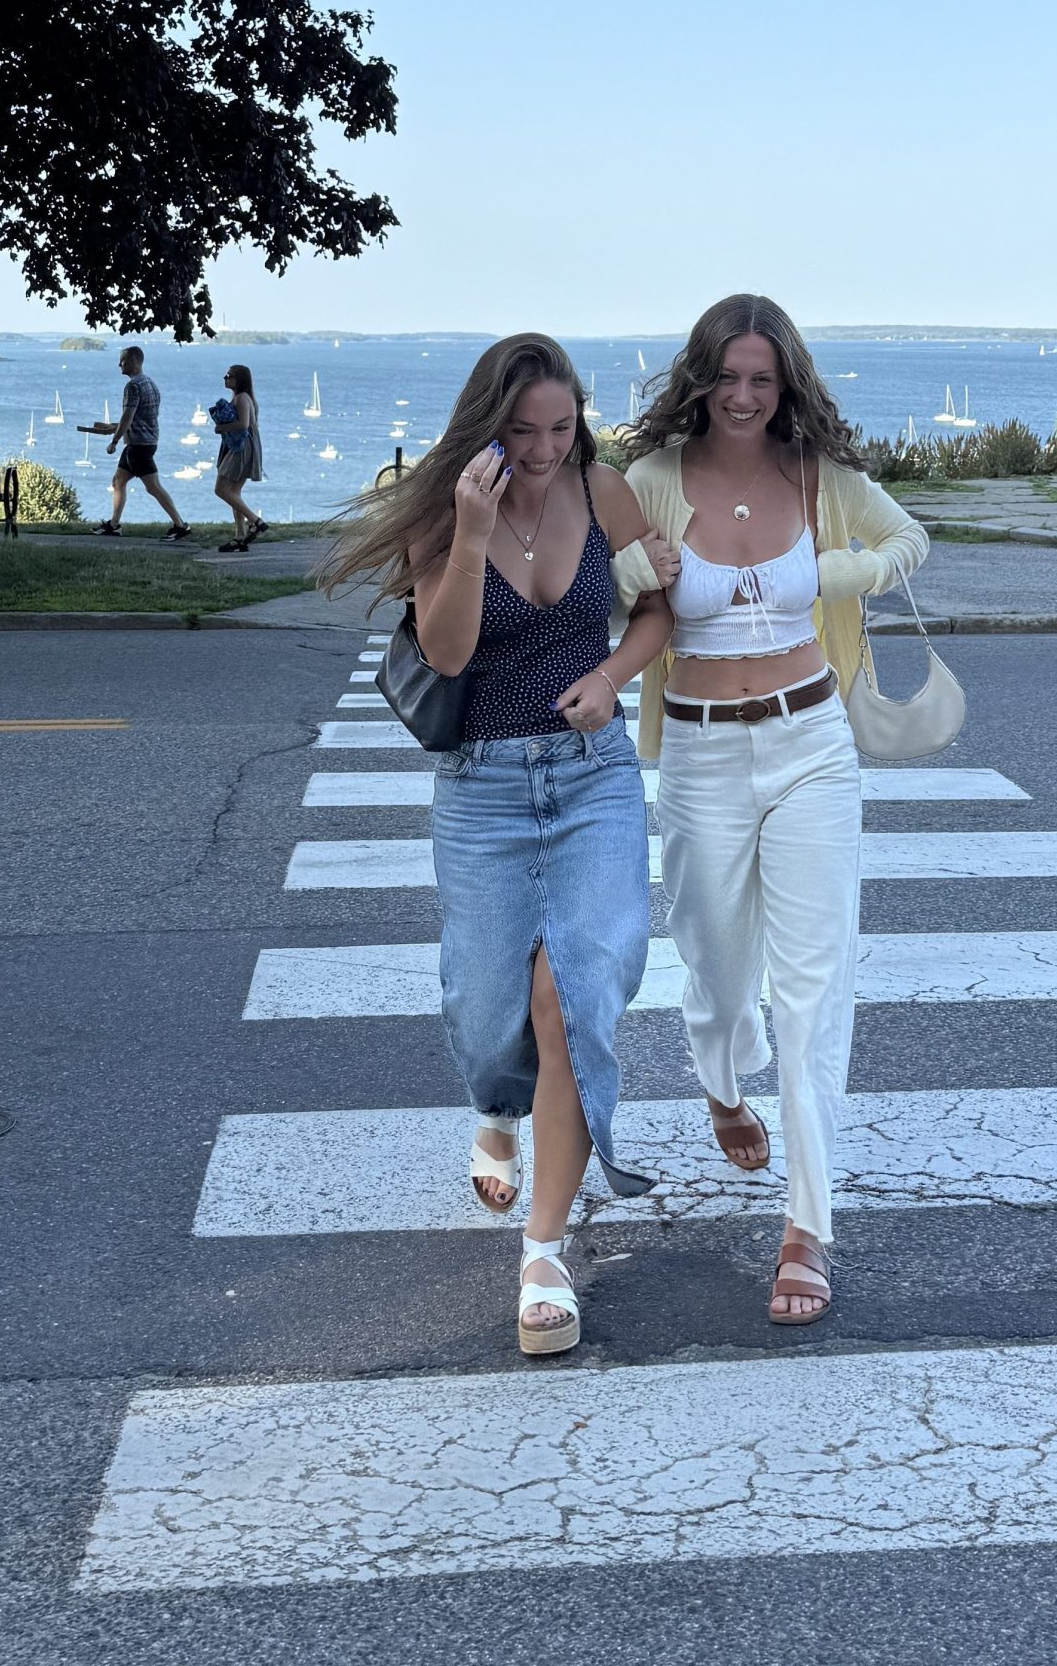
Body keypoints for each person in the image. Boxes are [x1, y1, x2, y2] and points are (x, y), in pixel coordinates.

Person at [323, 333, 675, 1356]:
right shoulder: (452, 508)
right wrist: (470, 532)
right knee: (487, 1015)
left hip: (592, 777)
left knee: (571, 995)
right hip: (480, 786)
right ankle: (494, 1107)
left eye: (562, 430)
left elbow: (658, 611)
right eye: (523, 430)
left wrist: (611, 677)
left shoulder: (603, 492)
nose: (543, 449)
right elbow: (446, 650)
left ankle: (545, 1251)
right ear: (489, 426)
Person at [613, 295, 928, 1327]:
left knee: (813, 990)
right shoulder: (649, 484)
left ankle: (807, 1224)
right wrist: (627, 571)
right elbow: (589, 586)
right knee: (710, 961)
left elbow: (908, 540)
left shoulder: (818, 478)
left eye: (763, 377)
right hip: (700, 751)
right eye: (727, 377)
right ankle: (719, 1082)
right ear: (698, 380)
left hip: (810, 745)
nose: (744, 396)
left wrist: (849, 570)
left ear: (785, 381)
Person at [88, 345, 189, 541]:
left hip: (139, 445)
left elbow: (128, 415)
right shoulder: (150, 383)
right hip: (147, 441)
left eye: (123, 360)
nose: (119, 364)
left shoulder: (133, 386)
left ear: (134, 360)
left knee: (153, 487)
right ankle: (114, 525)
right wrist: (115, 427)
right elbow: (141, 417)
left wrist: (115, 440)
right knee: (118, 481)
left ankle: (180, 525)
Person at [211, 363, 268, 550]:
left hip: (241, 449)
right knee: (234, 494)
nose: (225, 378)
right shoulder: (242, 397)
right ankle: (240, 536)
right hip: (243, 447)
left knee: (221, 489)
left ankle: (255, 521)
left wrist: (221, 428)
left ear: (240, 379)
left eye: (229, 375)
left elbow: (243, 425)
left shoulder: (242, 398)